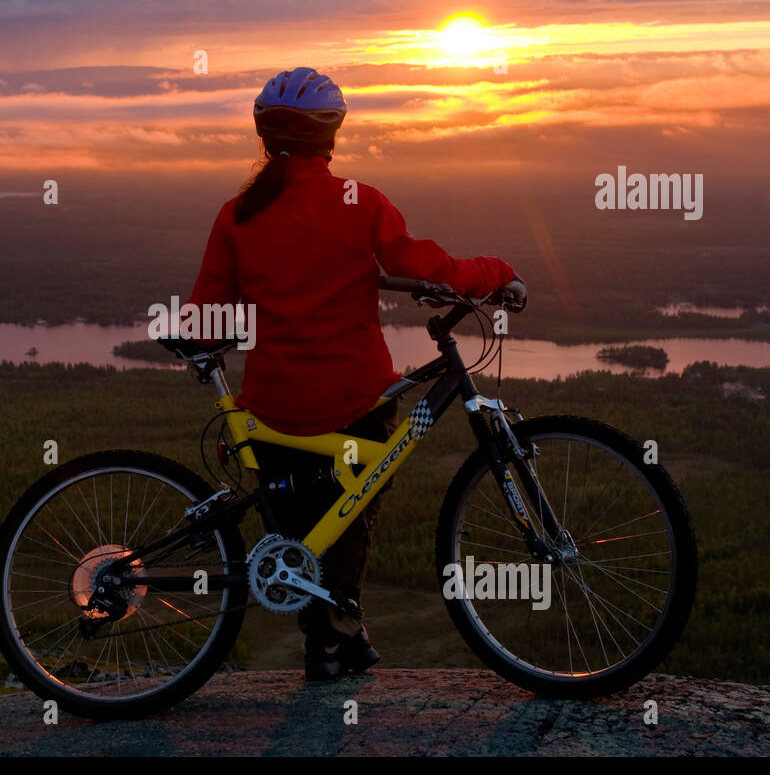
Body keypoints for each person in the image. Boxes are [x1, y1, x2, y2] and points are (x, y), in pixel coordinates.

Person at [184, 66, 525, 680]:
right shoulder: (359, 202)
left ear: (265, 138)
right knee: (349, 516)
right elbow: (433, 266)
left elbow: (204, 318)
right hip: (356, 398)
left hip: (273, 406)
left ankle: (337, 637)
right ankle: (336, 638)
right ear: (331, 137)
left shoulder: (238, 214)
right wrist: (497, 270)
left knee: (309, 530)